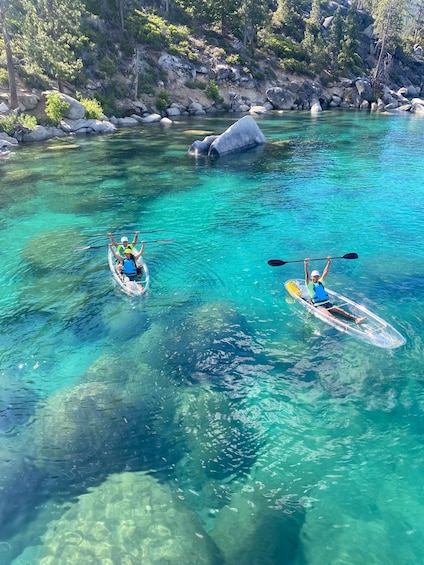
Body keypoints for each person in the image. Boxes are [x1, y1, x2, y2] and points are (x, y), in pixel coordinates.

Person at [304, 257, 366, 324]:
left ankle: (356, 319)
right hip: (318, 305)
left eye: (317, 276)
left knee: (341, 311)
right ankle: (344, 325)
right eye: (314, 276)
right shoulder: (309, 285)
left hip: (327, 303)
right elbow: (307, 274)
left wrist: (329, 262)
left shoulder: (321, 282)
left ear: (319, 277)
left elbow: (325, 272)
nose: (316, 277)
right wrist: (306, 264)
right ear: (311, 277)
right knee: (330, 316)